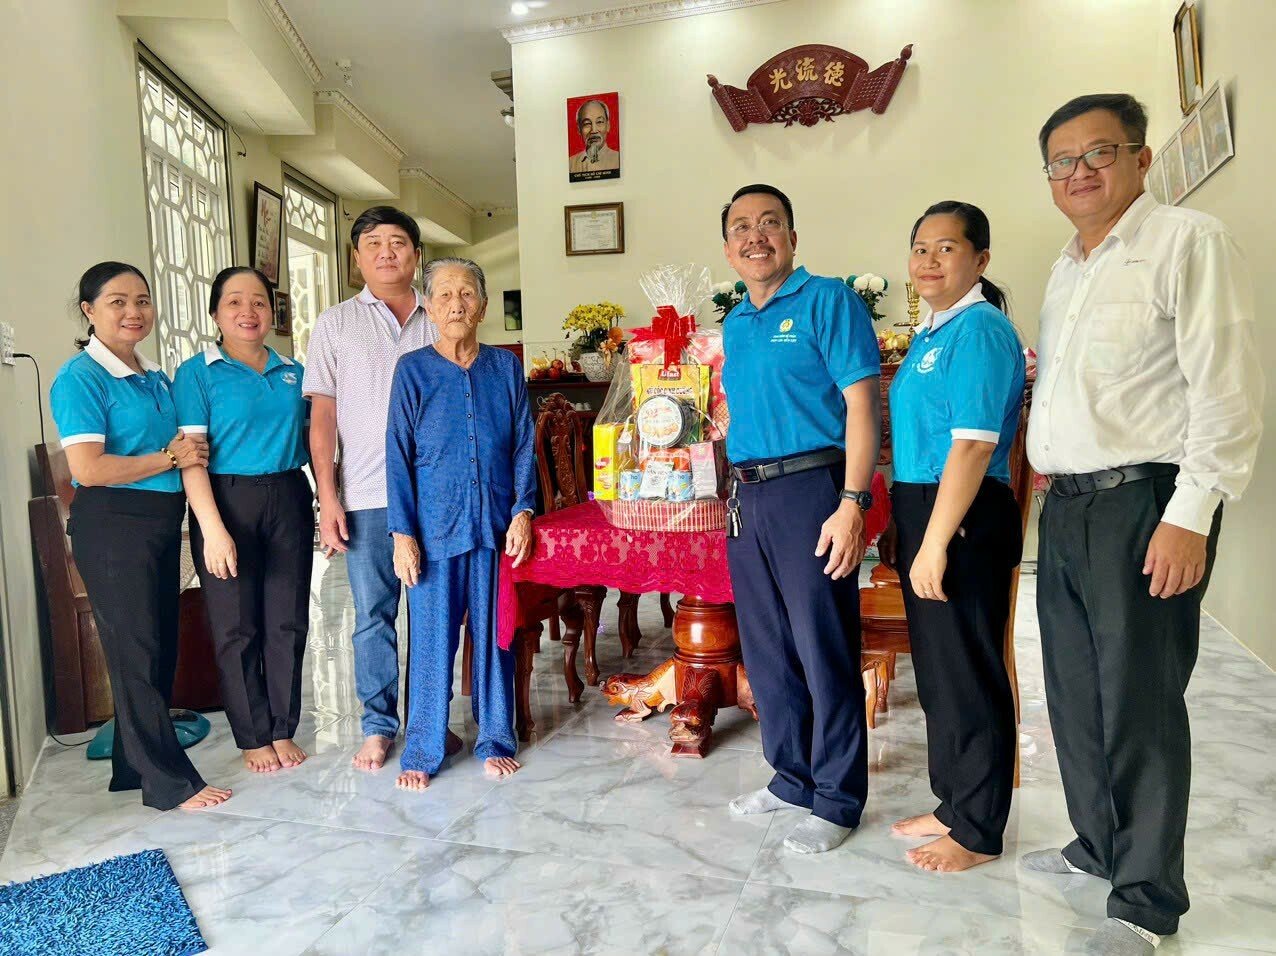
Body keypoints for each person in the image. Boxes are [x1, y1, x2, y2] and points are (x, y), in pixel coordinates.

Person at [1023, 93, 1263, 955]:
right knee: (1075, 693)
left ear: (1141, 157)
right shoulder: (1068, 269)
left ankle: (1148, 900)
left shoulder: (1187, 242)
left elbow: (1226, 391)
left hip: (1144, 503)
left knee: (1141, 704)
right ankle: (1098, 845)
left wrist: (1189, 516)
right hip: (1067, 505)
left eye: (1099, 152)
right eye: (1062, 160)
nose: (1079, 172)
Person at [719, 184, 880, 854]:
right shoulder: (735, 322)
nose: (755, 236)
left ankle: (837, 798)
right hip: (747, 496)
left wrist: (852, 502)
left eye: (769, 223)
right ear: (728, 247)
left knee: (822, 645)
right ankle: (791, 777)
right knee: (767, 649)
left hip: (813, 489)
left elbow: (863, 407)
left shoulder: (828, 301)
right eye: (741, 227)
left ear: (792, 236)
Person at [49, 262, 230, 811]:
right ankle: (170, 784)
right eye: (118, 302)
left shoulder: (153, 376)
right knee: (136, 651)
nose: (134, 312)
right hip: (113, 526)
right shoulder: (80, 377)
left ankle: (132, 766)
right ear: (89, 311)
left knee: (158, 648)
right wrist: (169, 458)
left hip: (157, 523)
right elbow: (89, 468)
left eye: (143, 301)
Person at [878, 201, 1025, 873]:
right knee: (940, 672)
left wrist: (936, 542)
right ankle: (954, 802)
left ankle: (978, 830)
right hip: (926, 509)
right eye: (920, 248)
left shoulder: (982, 330)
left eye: (946, 248)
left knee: (968, 670)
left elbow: (971, 445)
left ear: (980, 260)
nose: (929, 261)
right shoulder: (933, 333)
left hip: (962, 514)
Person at [303, 206, 448, 772]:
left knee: (435, 614)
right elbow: (322, 417)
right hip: (365, 492)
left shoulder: (442, 314)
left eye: (398, 242)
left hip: (437, 494)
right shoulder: (335, 324)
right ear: (356, 257)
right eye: (373, 243)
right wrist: (328, 496)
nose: (386, 252)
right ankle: (379, 725)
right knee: (373, 617)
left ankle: (430, 720)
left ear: (416, 253)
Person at [385, 257, 536, 791]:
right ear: (428, 306)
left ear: (484, 306)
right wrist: (402, 534)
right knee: (431, 642)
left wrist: (523, 510)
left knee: (496, 639)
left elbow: (523, 443)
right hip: (433, 531)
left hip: (494, 526)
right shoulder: (412, 370)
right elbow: (397, 455)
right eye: (444, 295)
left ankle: (495, 739)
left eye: (467, 294)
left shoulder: (505, 368)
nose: (456, 304)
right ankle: (423, 748)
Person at [173, 267, 313, 774]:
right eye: (234, 302)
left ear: (272, 312)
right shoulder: (196, 373)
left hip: (289, 495)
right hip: (225, 498)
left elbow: (316, 440)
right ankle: (253, 735)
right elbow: (191, 457)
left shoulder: (294, 371)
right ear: (215, 313)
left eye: (258, 302)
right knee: (236, 624)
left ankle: (281, 727)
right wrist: (211, 529)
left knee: (288, 619)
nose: (248, 312)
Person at [568, 99, 620, 177]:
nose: (594, 130)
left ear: (608, 126)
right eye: (587, 123)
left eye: (599, 122)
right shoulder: (570, 164)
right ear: (579, 129)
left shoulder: (618, 159)